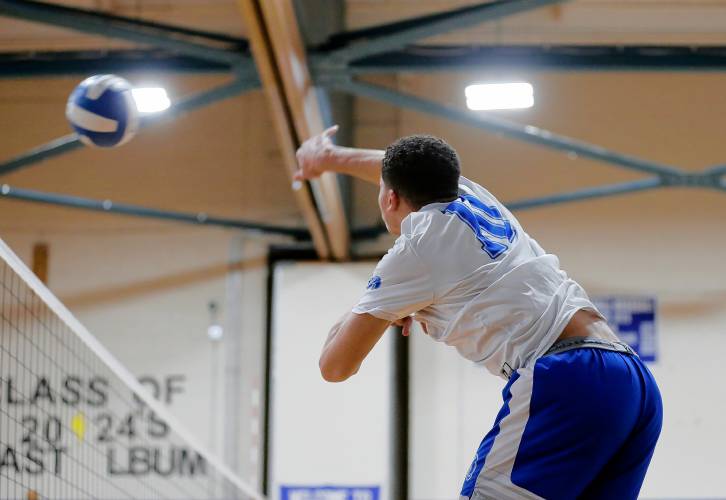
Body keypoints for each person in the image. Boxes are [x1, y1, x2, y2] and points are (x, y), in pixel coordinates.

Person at [294, 126, 663, 500]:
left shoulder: (416, 249)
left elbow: (335, 366)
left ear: (389, 198)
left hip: (571, 379)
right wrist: (328, 157)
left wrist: (381, 302)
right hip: (632, 381)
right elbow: (391, 167)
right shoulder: (470, 194)